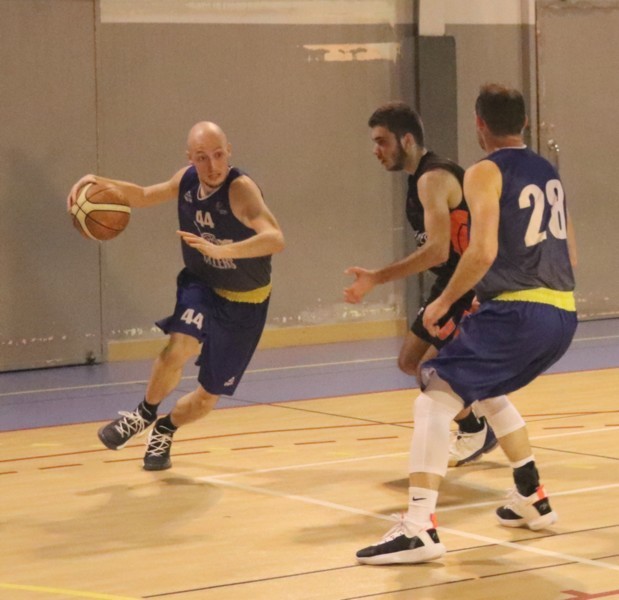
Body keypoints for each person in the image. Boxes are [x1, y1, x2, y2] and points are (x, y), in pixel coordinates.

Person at [355, 84, 578, 565]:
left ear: (479, 124)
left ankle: (419, 528)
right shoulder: (548, 171)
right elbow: (569, 253)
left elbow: (481, 251)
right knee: (483, 387)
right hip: (562, 313)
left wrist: (445, 301)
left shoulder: (483, 171)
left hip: (519, 312)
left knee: (433, 390)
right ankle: (531, 495)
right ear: (523, 122)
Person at [67, 121, 285, 471]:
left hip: (246, 302)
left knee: (207, 398)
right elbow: (142, 195)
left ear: (229, 151)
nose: (212, 165)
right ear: (190, 158)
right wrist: (97, 181)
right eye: (202, 157)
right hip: (202, 284)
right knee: (179, 346)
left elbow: (275, 238)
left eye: (218, 155)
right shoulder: (186, 180)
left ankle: (165, 429)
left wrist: (225, 251)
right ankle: (143, 413)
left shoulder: (241, 190)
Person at [344, 101, 497, 467]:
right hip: (449, 282)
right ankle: (481, 416)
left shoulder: (433, 178)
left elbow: (437, 251)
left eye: (382, 141)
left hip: (470, 284)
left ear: (407, 140)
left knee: (433, 371)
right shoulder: (419, 180)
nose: (376, 150)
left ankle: (476, 429)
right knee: (410, 361)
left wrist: (376, 277)